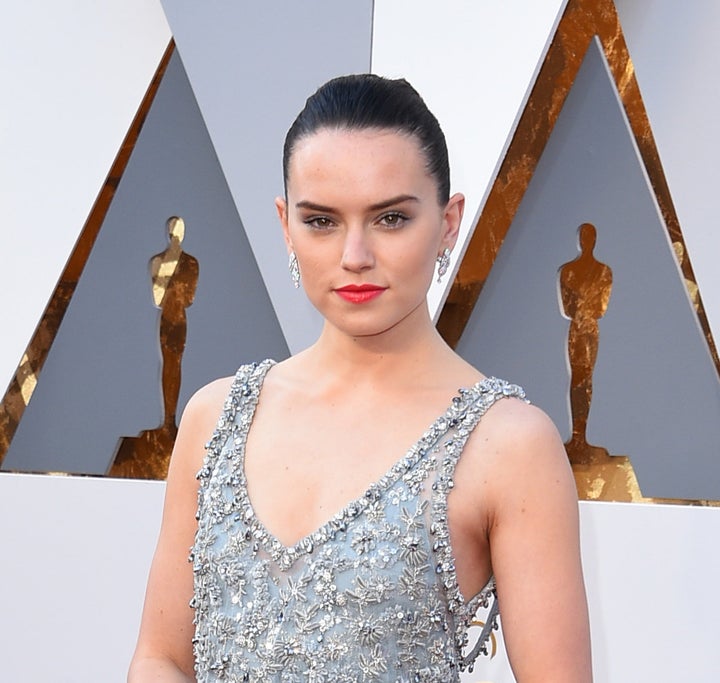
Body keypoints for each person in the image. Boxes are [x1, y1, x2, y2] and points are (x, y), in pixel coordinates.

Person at [128, 74, 592, 682]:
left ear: (449, 222)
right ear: (285, 223)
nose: (355, 256)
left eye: (391, 218)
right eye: (321, 221)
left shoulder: (508, 445)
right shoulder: (215, 418)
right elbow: (161, 658)